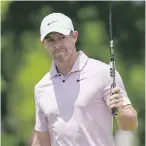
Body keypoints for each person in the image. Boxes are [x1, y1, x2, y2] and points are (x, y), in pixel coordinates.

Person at [31, 13, 138, 146]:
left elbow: (130, 124)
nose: (57, 44)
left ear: (74, 36)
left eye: (61, 37)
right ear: (43, 43)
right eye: (50, 40)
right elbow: (42, 138)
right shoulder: (41, 88)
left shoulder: (104, 73)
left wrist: (121, 111)